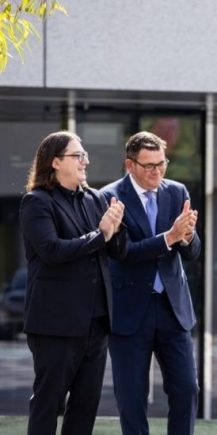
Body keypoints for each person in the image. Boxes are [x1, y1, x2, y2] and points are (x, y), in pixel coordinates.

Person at [20, 131, 126, 435]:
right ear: (55, 162)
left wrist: (117, 230)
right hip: (55, 324)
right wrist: (101, 235)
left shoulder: (95, 198)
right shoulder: (36, 202)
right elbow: (52, 251)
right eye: (77, 155)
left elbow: (117, 251)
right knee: (47, 404)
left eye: (85, 155)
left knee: (85, 408)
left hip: (96, 323)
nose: (85, 161)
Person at [101, 131, 201, 435]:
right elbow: (124, 253)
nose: (157, 171)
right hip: (130, 311)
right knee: (132, 399)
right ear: (130, 166)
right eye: (149, 165)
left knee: (187, 389)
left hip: (173, 308)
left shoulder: (177, 191)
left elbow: (193, 253)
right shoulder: (109, 197)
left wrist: (187, 237)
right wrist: (169, 238)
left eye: (162, 163)